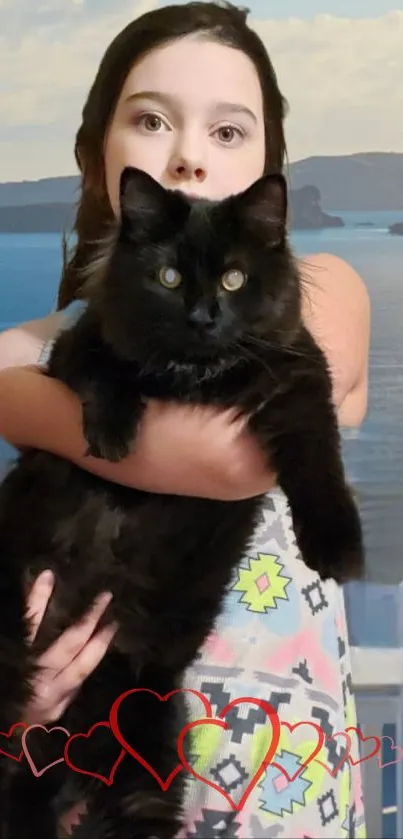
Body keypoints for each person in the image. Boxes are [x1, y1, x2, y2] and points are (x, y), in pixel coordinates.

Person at [0, 2, 370, 837]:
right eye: (152, 119)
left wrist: (54, 406)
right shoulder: (19, 352)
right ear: (98, 152)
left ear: (272, 161)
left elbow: (237, 460)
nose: (189, 157)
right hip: (98, 761)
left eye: (229, 132)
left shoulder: (325, 290)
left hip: (283, 798)